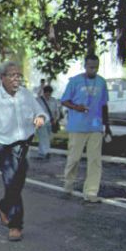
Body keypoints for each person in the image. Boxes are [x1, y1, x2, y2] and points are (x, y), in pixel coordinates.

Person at [0, 61, 47, 241]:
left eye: (19, 75)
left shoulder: (26, 95)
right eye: (12, 75)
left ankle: (3, 206)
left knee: (18, 183)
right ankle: (15, 225)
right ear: (2, 78)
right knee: (12, 184)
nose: (16, 78)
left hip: (24, 145)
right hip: (4, 147)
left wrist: (39, 118)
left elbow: (40, 112)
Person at [60, 54, 112, 203]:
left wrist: (107, 126)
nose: (93, 70)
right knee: (74, 159)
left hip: (95, 126)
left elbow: (104, 105)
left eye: (96, 67)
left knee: (95, 160)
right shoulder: (75, 81)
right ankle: (68, 184)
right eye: (90, 67)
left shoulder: (101, 82)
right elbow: (64, 100)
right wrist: (77, 107)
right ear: (85, 66)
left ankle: (91, 192)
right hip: (77, 127)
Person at [34, 86, 61, 160]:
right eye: (47, 93)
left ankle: (41, 153)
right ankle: (45, 152)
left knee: (47, 137)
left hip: (51, 122)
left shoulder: (54, 100)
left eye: (49, 93)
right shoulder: (38, 100)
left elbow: (56, 111)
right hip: (41, 121)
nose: (48, 95)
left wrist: (56, 119)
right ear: (44, 92)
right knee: (43, 137)